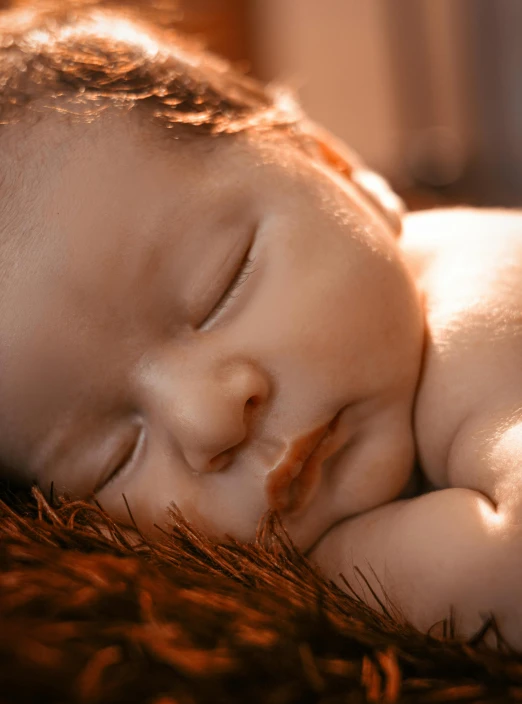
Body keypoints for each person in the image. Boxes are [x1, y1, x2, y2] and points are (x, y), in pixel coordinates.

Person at [0, 4, 521, 647]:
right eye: (113, 459)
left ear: (337, 168)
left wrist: (309, 580)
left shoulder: (483, 297)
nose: (209, 418)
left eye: (224, 284)